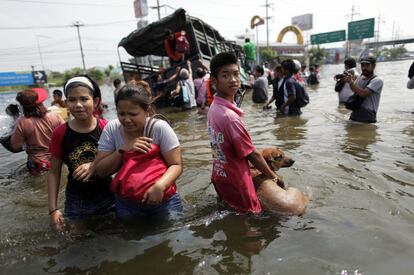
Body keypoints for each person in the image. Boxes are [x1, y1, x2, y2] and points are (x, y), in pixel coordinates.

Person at [94, 82, 183, 221]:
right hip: (126, 203)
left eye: (133, 114)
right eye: (121, 114)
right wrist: (122, 149)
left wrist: (160, 185)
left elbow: (176, 165)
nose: (127, 119)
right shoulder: (112, 129)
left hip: (163, 201)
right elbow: (101, 171)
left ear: (147, 111)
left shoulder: (159, 128)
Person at [207, 52, 279, 214]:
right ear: (214, 80)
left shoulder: (214, 108)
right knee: (250, 222)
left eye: (236, 74)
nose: (233, 80)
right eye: (225, 75)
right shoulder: (230, 117)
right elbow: (252, 155)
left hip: (220, 175)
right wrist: (273, 176)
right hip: (237, 180)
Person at [47, 75, 114, 230]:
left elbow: (119, 158)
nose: (78, 105)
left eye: (84, 99)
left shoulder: (106, 128)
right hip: (76, 199)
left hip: (107, 194)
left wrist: (93, 165)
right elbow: (53, 172)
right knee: (75, 239)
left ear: (96, 102)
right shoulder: (60, 133)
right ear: (66, 103)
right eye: (72, 100)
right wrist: (53, 209)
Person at [9, 88, 64, 175]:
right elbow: (67, 136)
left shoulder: (22, 122)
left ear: (22, 105)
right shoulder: (55, 116)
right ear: (41, 101)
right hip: (58, 159)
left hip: (38, 163)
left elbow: (15, 146)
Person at [343, 56, 383, 123]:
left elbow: (363, 94)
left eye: (367, 65)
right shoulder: (360, 78)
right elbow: (355, 90)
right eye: (362, 65)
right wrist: (349, 81)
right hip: (355, 112)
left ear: (373, 66)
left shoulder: (378, 80)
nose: (364, 68)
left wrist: (351, 82)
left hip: (368, 115)